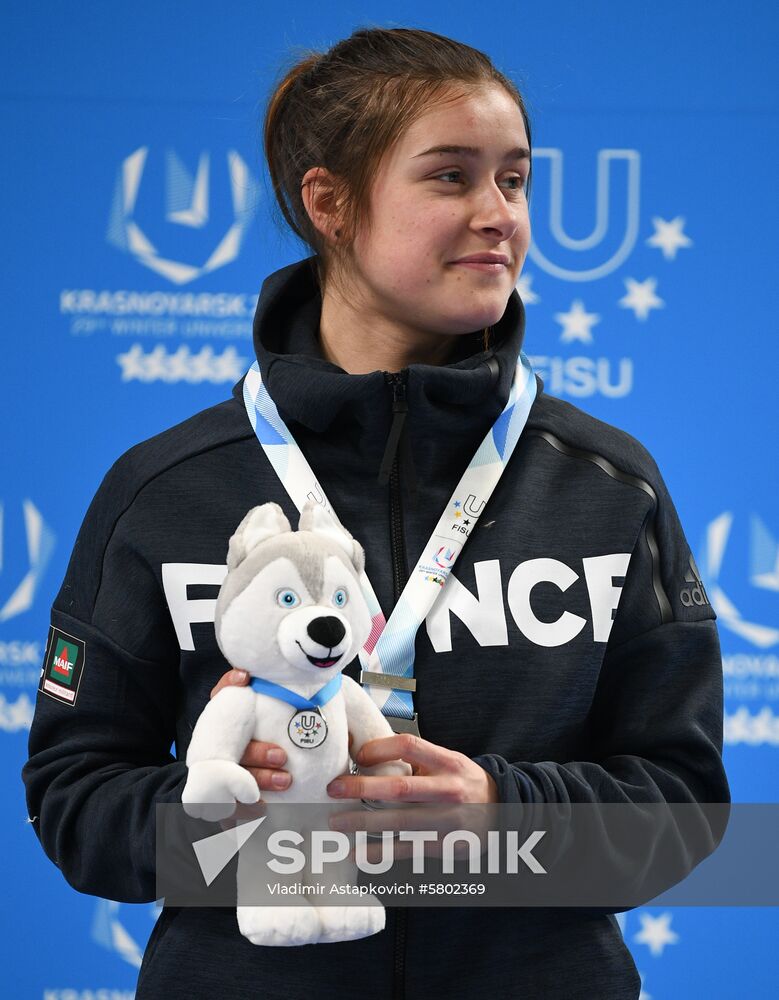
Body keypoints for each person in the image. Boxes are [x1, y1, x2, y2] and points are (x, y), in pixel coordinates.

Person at [22, 26, 729, 1000]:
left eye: (514, 181)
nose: (499, 216)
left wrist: (500, 819)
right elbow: (75, 802)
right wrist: (250, 830)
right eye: (450, 177)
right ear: (330, 204)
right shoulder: (169, 487)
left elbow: (687, 811)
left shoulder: (608, 484)